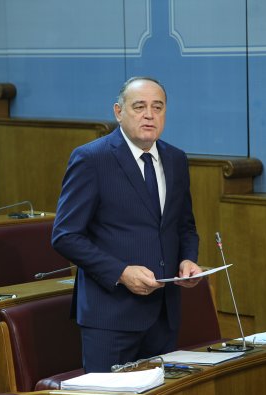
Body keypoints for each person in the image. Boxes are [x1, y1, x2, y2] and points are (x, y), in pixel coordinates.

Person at [51, 76, 201, 372]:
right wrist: (120, 272)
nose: (149, 115)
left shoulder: (176, 159)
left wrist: (188, 259)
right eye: (139, 107)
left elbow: (184, 226)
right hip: (111, 316)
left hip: (164, 314)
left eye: (157, 107)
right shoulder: (91, 159)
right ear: (118, 112)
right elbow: (65, 236)